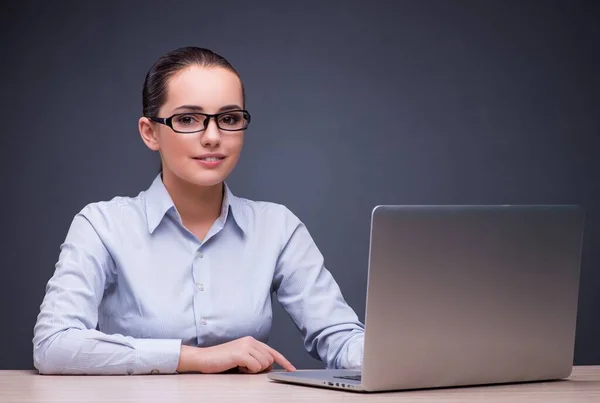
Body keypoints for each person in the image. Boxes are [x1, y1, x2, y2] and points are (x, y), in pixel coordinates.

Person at [32, 46, 365, 375]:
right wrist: (193, 358)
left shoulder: (277, 227)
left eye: (229, 118)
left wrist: (397, 354)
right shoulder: (102, 226)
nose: (212, 137)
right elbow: (54, 345)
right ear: (150, 133)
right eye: (188, 119)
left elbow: (340, 337)